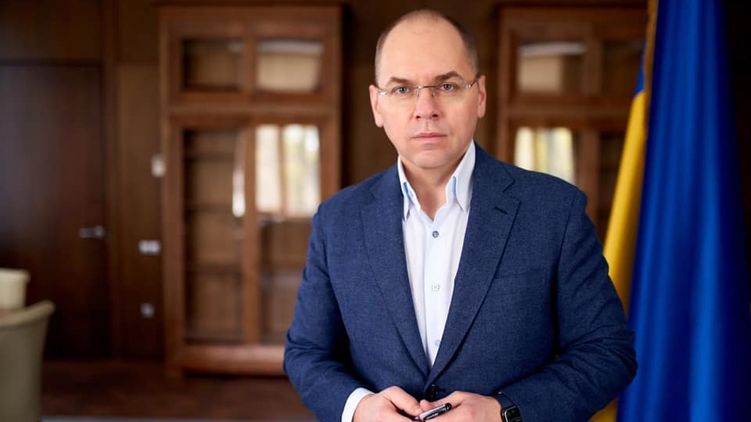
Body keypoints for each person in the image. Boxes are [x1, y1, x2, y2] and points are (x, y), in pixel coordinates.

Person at [284, 9, 636, 422]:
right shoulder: (337, 221)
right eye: (402, 89)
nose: (426, 108)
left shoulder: (555, 212)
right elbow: (306, 353)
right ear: (377, 104)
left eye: (447, 85)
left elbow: (607, 352)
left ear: (479, 96)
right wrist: (359, 408)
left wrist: (501, 412)